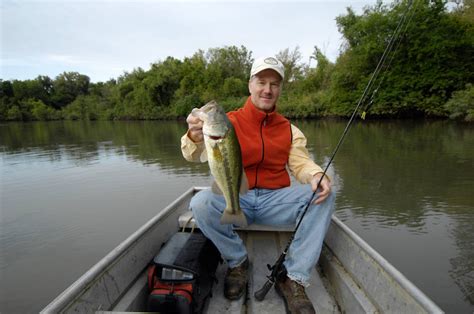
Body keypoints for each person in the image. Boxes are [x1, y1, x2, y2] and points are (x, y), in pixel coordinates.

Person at [181, 56, 335, 314]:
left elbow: (300, 163)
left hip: (275, 201)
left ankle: (294, 277)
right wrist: (194, 136)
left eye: (274, 84)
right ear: (250, 85)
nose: (267, 89)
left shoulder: (290, 129)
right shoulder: (226, 123)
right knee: (200, 202)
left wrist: (316, 175)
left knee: (323, 195)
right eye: (261, 82)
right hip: (237, 198)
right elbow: (192, 154)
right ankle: (237, 260)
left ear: (280, 89)